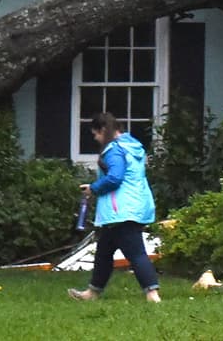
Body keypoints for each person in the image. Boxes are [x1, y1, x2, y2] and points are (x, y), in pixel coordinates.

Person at [67, 112, 162, 303]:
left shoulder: (114, 150)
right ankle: (92, 293)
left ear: (103, 130)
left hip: (120, 211)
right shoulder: (133, 146)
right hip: (133, 206)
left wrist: (93, 188)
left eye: (96, 134)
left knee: (136, 253)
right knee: (104, 251)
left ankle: (153, 295)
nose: (96, 138)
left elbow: (114, 178)